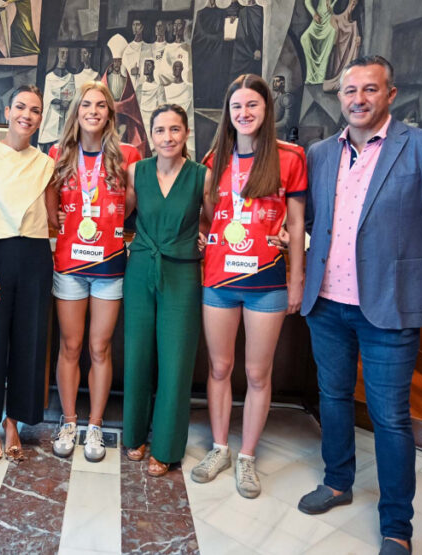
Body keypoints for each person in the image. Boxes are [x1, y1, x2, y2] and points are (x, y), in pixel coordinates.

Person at [297, 56, 422, 555]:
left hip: (389, 310)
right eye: (349, 91)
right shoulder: (321, 153)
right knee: (332, 397)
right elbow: (312, 222)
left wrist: (404, 270)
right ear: (339, 97)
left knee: (390, 417)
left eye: (369, 90)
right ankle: (337, 481)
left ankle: (397, 525)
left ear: (390, 94)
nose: (358, 99)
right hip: (327, 303)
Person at [190, 74, 306, 499]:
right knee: (219, 368)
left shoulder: (289, 158)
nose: (244, 113)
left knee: (258, 373)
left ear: (266, 110)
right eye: (237, 106)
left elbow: (295, 224)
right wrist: (204, 233)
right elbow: (208, 216)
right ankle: (220, 448)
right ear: (228, 113)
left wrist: (296, 282)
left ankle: (247, 457)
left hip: (268, 282)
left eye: (252, 105)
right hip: (219, 279)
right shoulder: (211, 160)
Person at [45, 81, 141, 462]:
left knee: (99, 348)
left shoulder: (127, 154)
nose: (93, 111)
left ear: (110, 113)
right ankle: (69, 420)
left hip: (109, 266)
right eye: (86, 104)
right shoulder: (59, 153)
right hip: (69, 265)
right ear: (77, 111)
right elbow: (51, 203)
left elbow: (131, 203)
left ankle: (96, 425)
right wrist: (62, 220)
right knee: (70, 347)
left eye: (101, 105)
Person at [123, 104, 209, 477]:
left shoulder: (201, 176)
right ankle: (136, 435)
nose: (168, 137)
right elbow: (119, 213)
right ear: (151, 136)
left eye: (175, 130)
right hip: (141, 267)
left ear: (186, 134)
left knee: (175, 361)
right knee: (138, 354)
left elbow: (214, 220)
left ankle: (167, 446)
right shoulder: (136, 171)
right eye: (160, 130)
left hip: (183, 271)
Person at [0, 85, 55, 464]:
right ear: (7, 110)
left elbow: (53, 219)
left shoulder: (46, 163)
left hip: (35, 255)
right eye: (20, 106)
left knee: (30, 341)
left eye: (35, 110)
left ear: (41, 118)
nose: (27, 114)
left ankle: (13, 423)